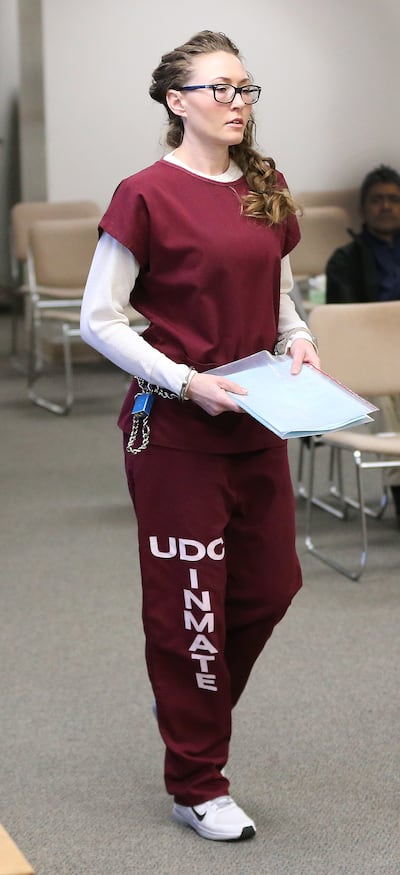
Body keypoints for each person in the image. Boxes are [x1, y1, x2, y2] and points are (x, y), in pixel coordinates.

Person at [80, 30, 319, 842]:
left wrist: (296, 340)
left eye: (247, 88)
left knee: (270, 588)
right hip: (177, 432)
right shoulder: (145, 192)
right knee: (189, 614)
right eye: (221, 89)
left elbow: (280, 294)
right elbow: (100, 320)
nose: (239, 103)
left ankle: (187, 696)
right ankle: (196, 782)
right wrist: (183, 379)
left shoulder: (265, 186)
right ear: (177, 101)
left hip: (258, 422)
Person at [326, 164, 400, 524]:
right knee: (388, 404)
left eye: (393, 199)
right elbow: (347, 327)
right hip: (369, 362)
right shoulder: (345, 260)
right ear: (364, 208)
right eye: (377, 200)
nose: (386, 206)